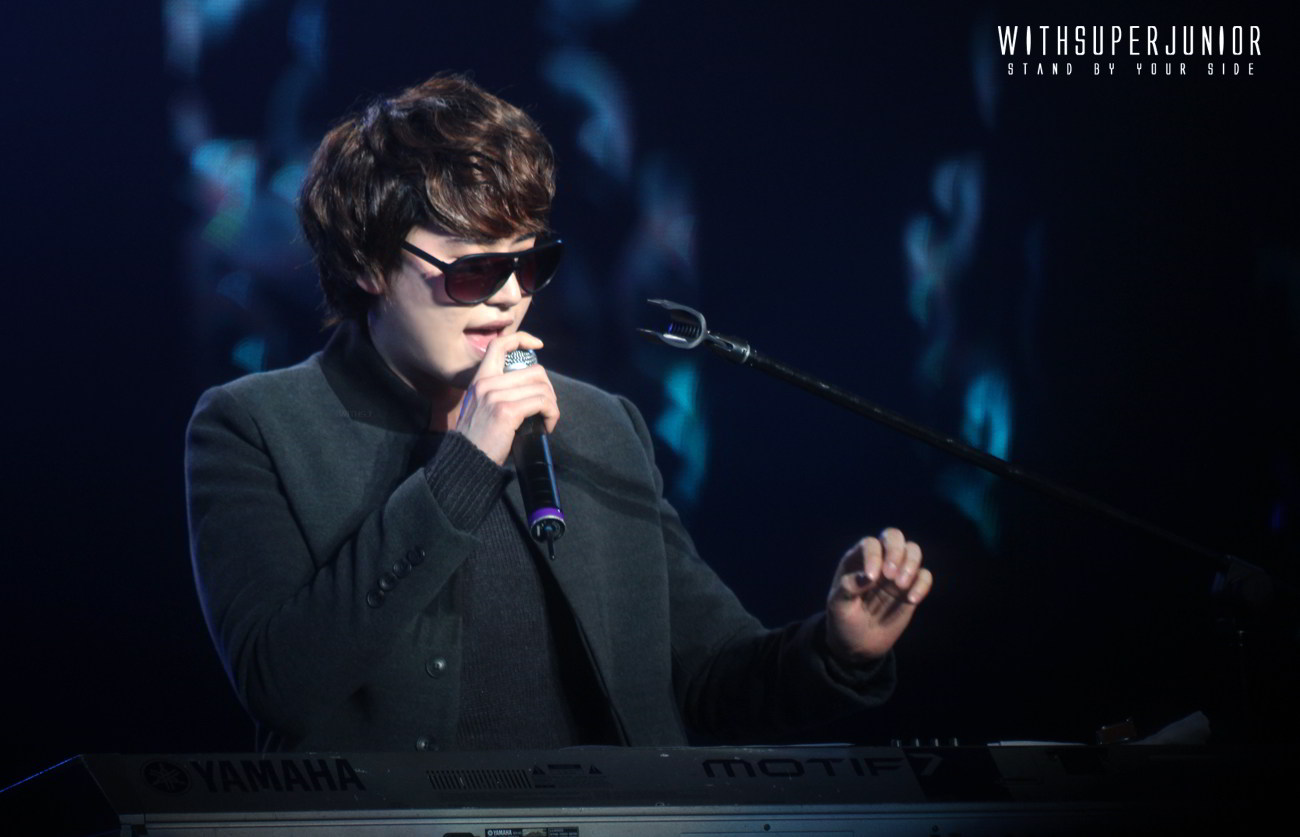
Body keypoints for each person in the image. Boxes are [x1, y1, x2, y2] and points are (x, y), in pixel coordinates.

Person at [185, 73, 933, 752]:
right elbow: (283, 685)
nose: (511, 295)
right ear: (366, 262)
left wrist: (836, 650)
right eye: (475, 269)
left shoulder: (601, 424)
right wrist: (466, 463)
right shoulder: (257, 426)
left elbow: (706, 676)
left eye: (529, 262)